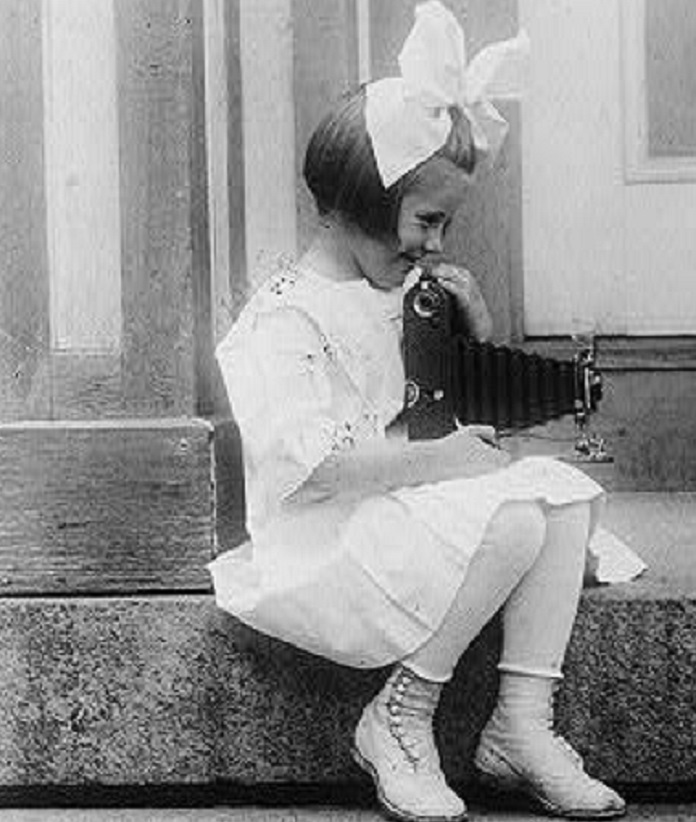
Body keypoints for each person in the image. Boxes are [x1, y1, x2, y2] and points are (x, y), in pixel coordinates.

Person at [208, 4, 627, 821]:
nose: (435, 244)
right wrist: (443, 464)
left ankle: (520, 725)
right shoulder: (282, 320)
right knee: (510, 520)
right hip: (324, 536)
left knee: (563, 496)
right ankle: (400, 717)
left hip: (396, 508)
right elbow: (312, 470)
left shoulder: (401, 294)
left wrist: (471, 334)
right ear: (367, 200)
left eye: (445, 224)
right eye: (426, 220)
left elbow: (447, 414)